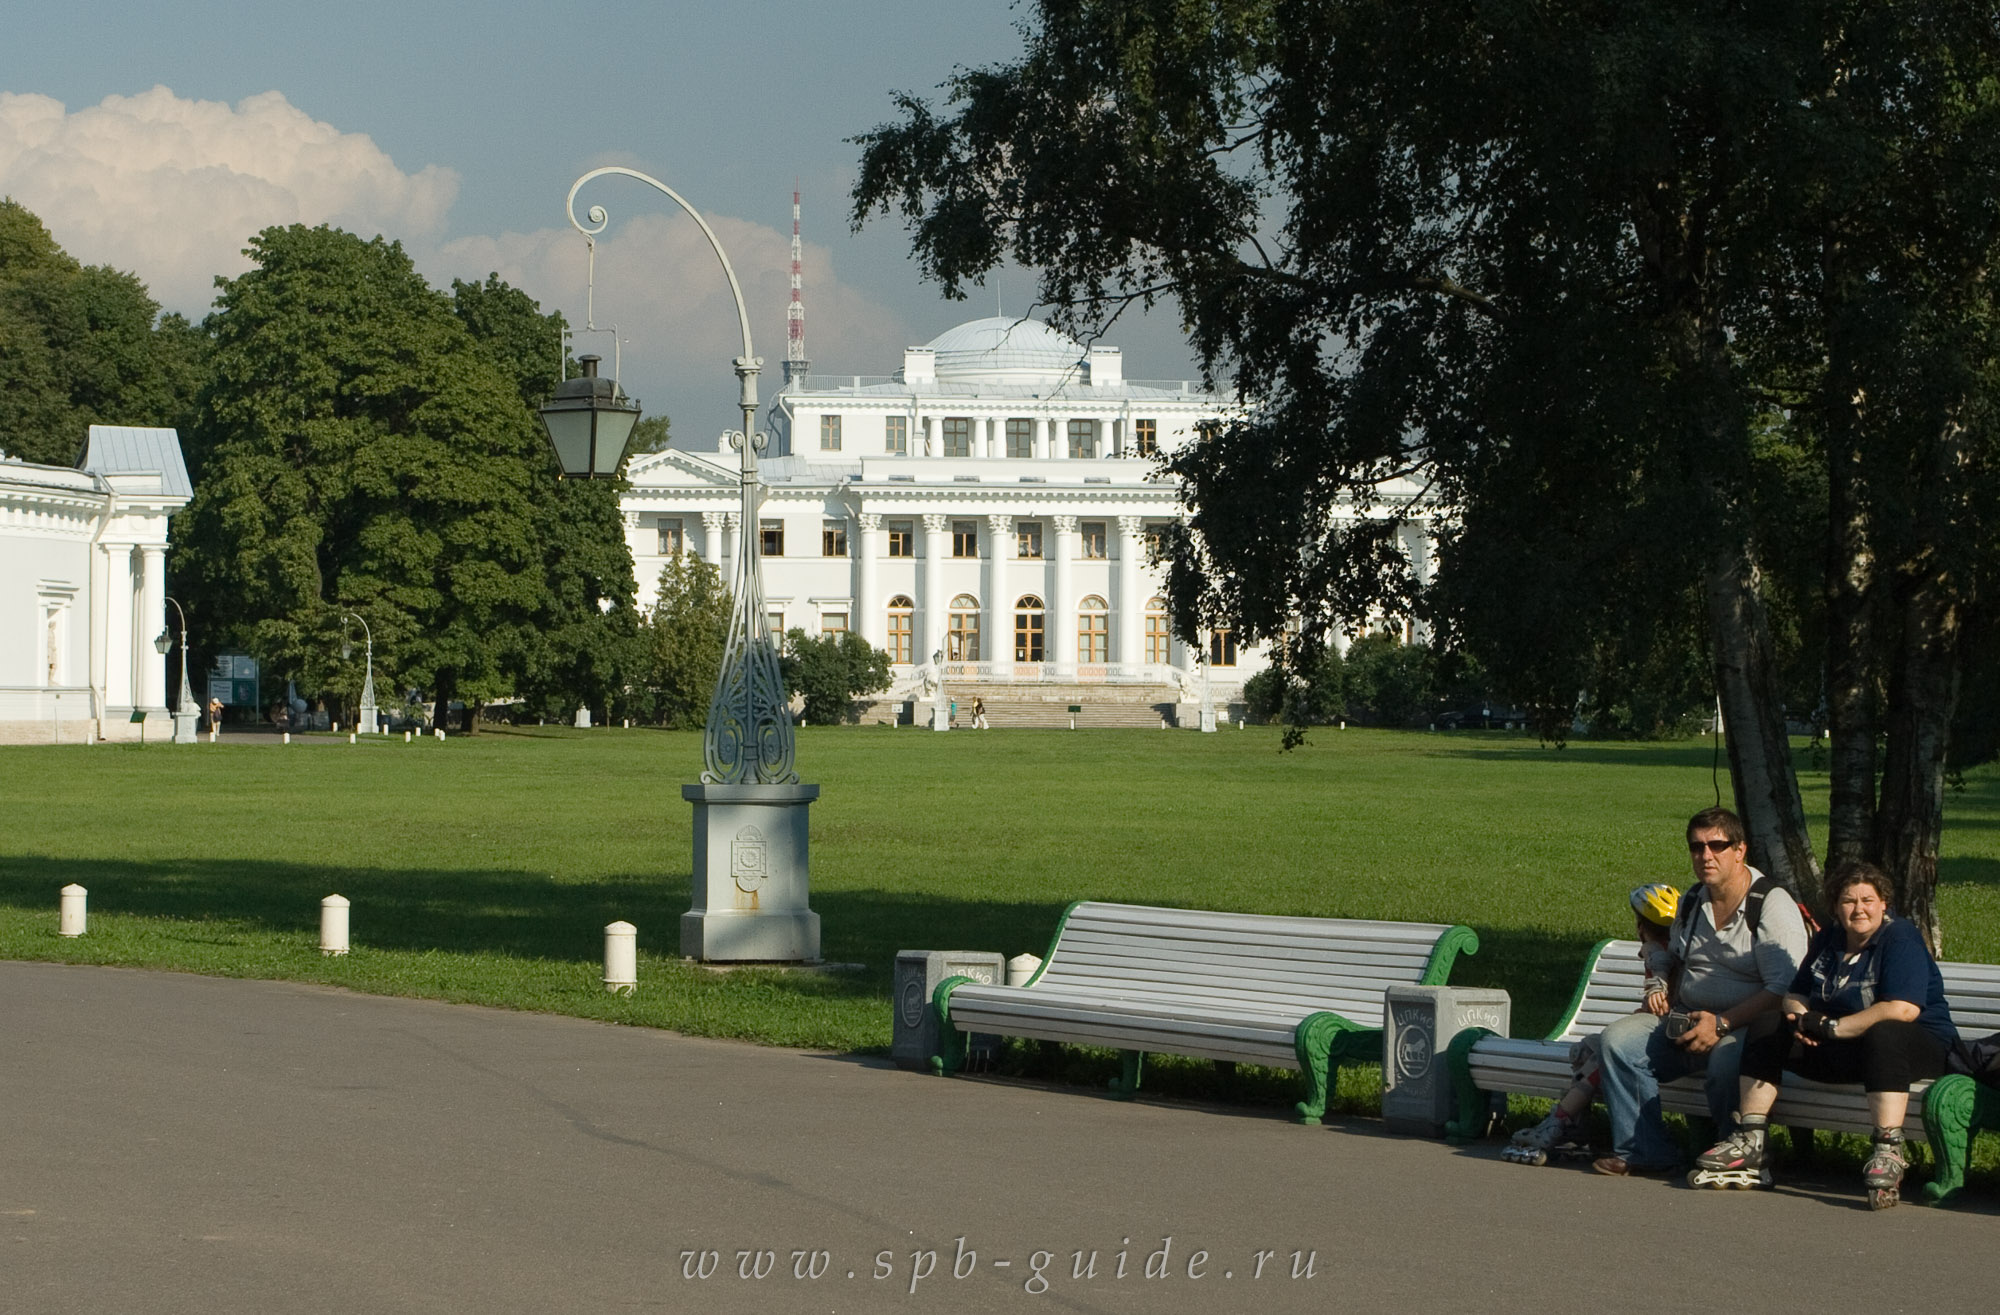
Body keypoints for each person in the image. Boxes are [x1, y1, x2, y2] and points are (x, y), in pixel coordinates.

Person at [1689, 860, 1957, 1206]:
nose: (1859, 909)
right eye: (1849, 901)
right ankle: (1751, 1140)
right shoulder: (1830, 937)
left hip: (1916, 1048)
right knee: (1769, 1025)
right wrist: (1802, 1019)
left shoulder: (1900, 937)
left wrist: (1832, 1027)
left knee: (1885, 1032)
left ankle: (1888, 1150)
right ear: (1835, 907)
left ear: (1883, 904)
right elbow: (1795, 995)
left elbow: (1902, 1009)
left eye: (1868, 900)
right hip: (1846, 1048)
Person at [1593, 806, 1810, 1177]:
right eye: (1696, 847)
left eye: (1717, 846)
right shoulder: (1693, 901)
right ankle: (1645, 1150)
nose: (1705, 856)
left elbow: (1784, 988)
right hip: (1689, 1020)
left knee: (1727, 1061)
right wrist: (1657, 983)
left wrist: (1722, 1023)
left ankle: (1738, 1152)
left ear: (1740, 850)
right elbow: (1674, 955)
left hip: (1751, 1028)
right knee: (1617, 1041)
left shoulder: (1770, 904)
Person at [1505, 882, 1680, 1165]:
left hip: (1668, 1042)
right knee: (1585, 1051)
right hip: (1659, 1034)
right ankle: (1577, 1126)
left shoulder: (1656, 950)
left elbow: (1660, 966)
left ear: (1640, 924)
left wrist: (1655, 989)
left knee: (1600, 1056)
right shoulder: (1670, 946)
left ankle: (1558, 1121)